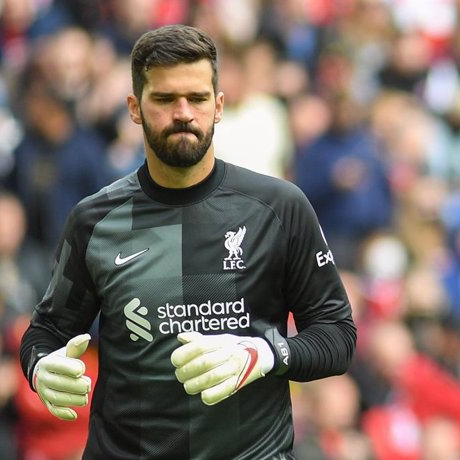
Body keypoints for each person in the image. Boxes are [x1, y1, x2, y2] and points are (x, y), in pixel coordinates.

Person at [19, 24, 357, 459]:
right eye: (164, 99)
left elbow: (338, 336)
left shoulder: (278, 207)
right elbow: (46, 331)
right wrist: (40, 366)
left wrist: (265, 354)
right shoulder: (96, 220)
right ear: (135, 108)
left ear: (218, 106)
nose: (183, 113)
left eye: (197, 98)